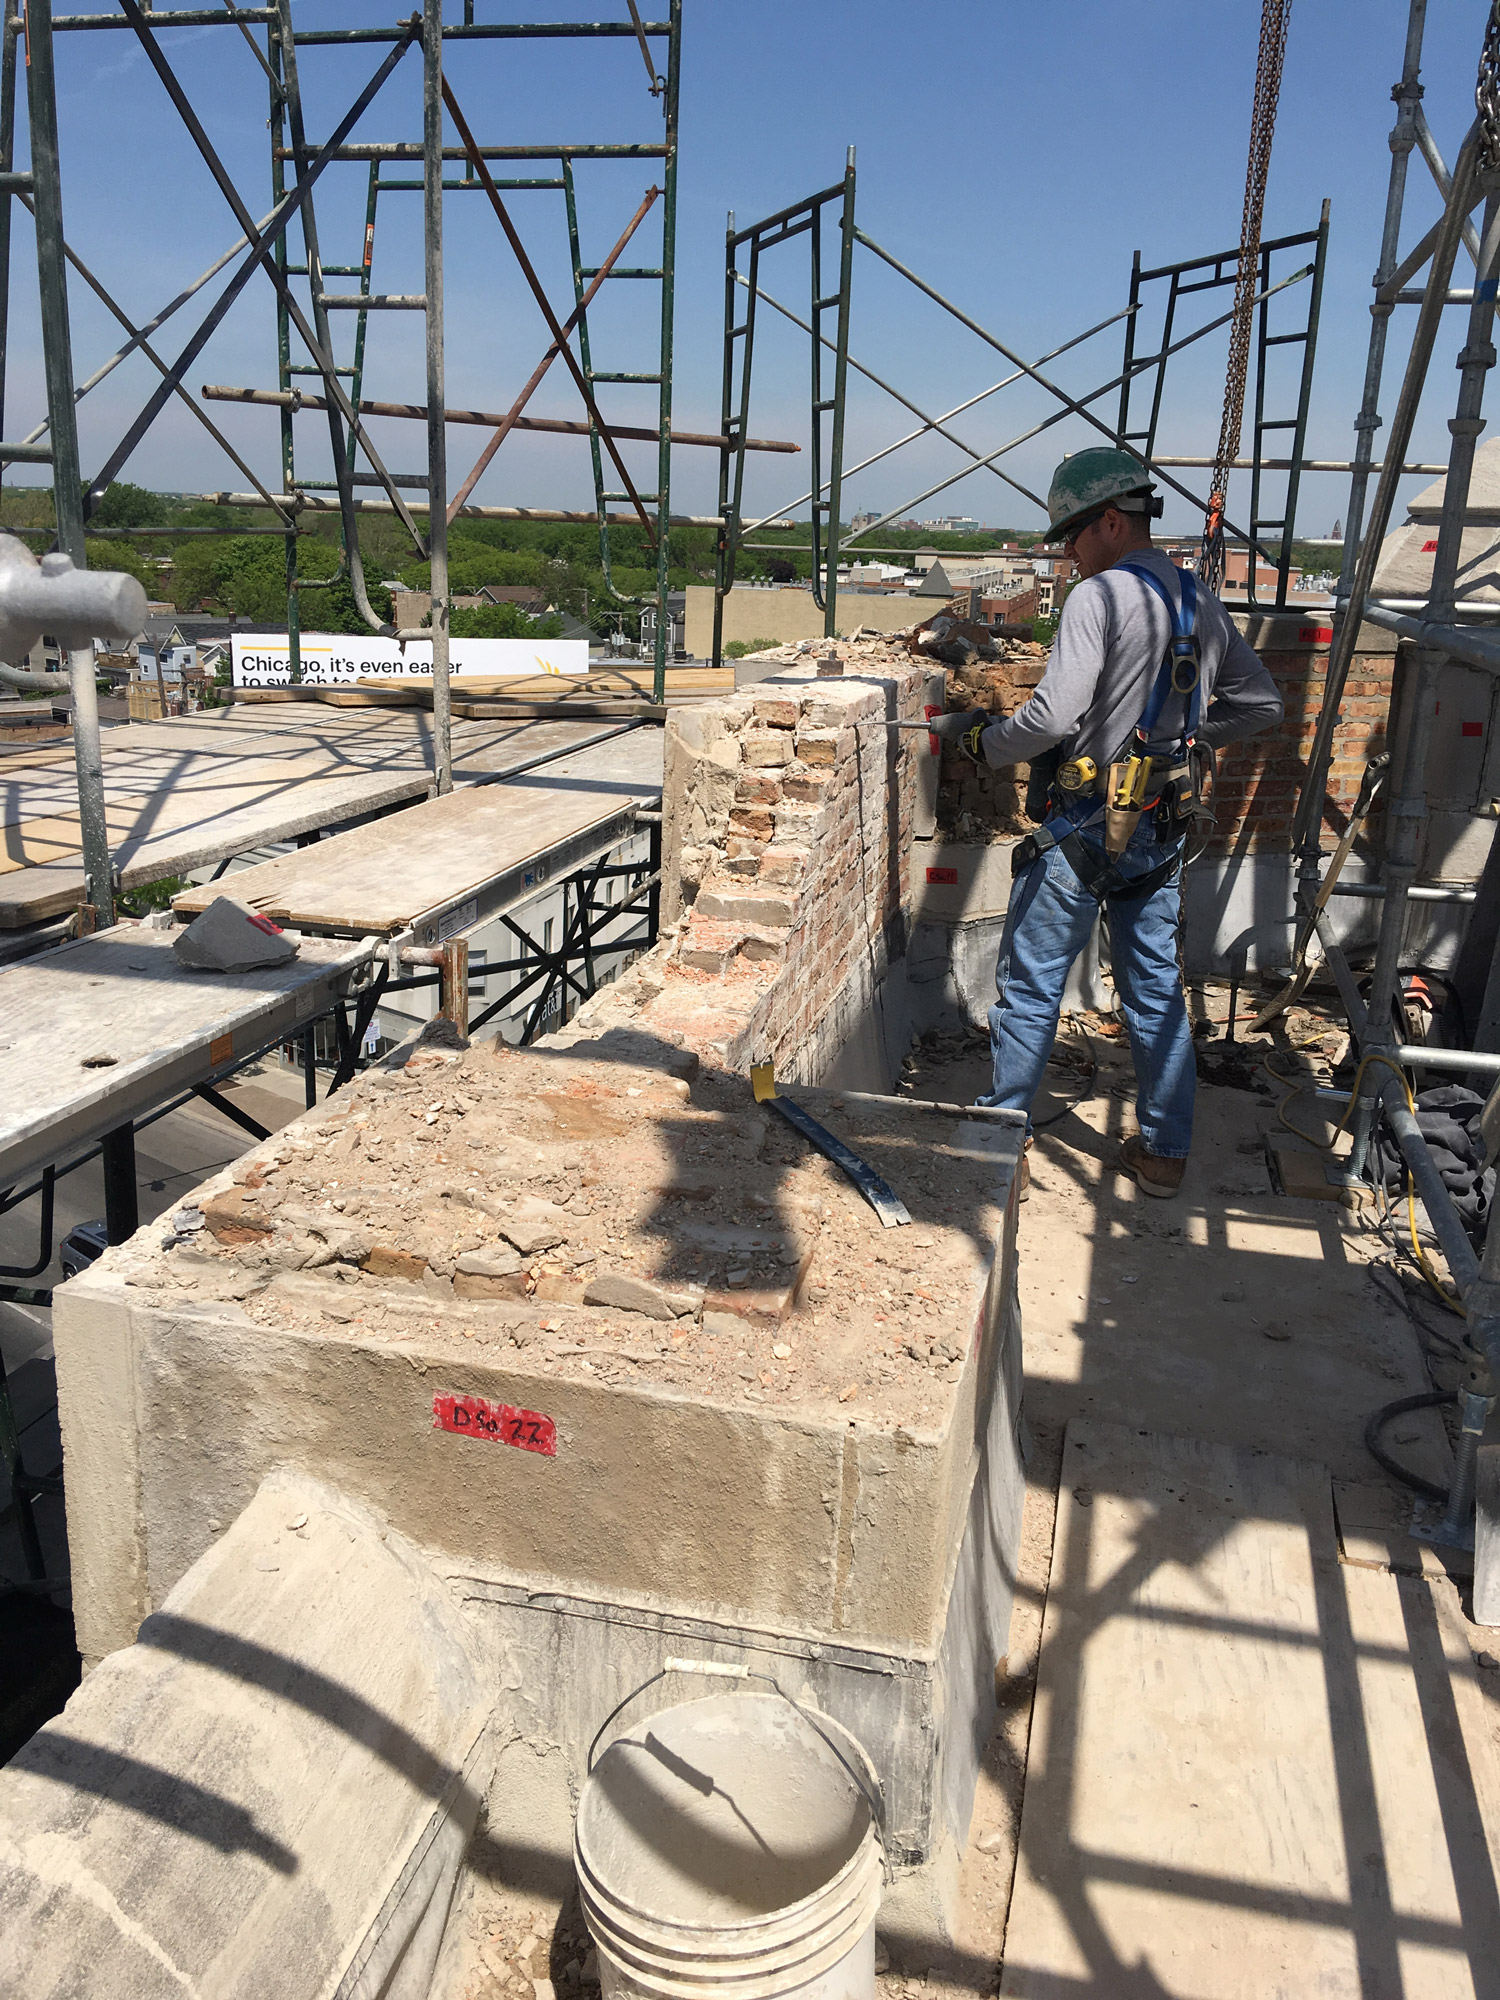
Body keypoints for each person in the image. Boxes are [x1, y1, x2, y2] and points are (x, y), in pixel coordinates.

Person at [931, 449, 1283, 1198]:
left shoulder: (1100, 598)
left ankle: (1001, 1144)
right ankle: (1163, 1155)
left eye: (1072, 535)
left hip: (1085, 827)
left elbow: (1053, 716)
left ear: (1112, 521)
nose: (1067, 551)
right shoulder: (1198, 599)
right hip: (1159, 827)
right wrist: (1184, 739)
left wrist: (984, 742)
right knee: (1155, 991)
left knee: (1030, 990)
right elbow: (1262, 706)